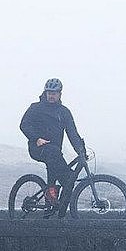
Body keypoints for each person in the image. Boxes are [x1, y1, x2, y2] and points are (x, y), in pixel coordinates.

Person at [19, 78, 86, 210]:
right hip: (37, 148)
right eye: (49, 92)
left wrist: (81, 150)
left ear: (60, 94)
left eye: (54, 93)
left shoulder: (64, 112)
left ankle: (58, 211)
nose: (51, 95)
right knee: (54, 154)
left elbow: (72, 133)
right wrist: (36, 138)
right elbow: (24, 125)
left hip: (55, 151)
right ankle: (50, 193)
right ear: (45, 93)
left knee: (69, 180)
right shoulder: (35, 108)